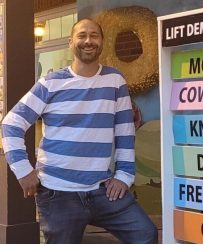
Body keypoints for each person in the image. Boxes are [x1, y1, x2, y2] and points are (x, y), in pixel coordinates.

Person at [1, 18, 158, 244]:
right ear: (70, 41)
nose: (88, 41)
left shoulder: (115, 81)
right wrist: (23, 170)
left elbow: (125, 132)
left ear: (102, 41)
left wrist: (124, 175)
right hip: (57, 193)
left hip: (102, 189)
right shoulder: (50, 84)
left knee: (145, 234)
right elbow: (11, 123)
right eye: (82, 35)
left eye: (94, 35)